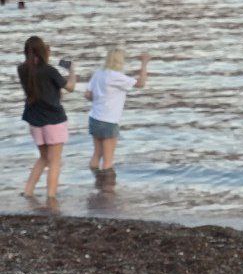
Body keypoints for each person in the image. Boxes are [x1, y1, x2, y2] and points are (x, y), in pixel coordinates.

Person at [18, 35, 76, 202]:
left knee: (43, 158)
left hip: (34, 120)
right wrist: (72, 71)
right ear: (43, 51)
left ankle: (28, 192)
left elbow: (38, 82)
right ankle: (51, 196)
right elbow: (70, 87)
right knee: (55, 161)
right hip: (54, 120)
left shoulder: (22, 69)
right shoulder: (49, 70)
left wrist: (44, 57)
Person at [84, 46, 148, 177]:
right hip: (108, 121)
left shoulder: (98, 73)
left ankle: (94, 181)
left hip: (94, 118)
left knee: (97, 154)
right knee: (108, 161)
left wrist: (101, 98)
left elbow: (87, 94)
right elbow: (141, 83)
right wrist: (144, 63)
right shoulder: (116, 76)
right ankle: (106, 186)